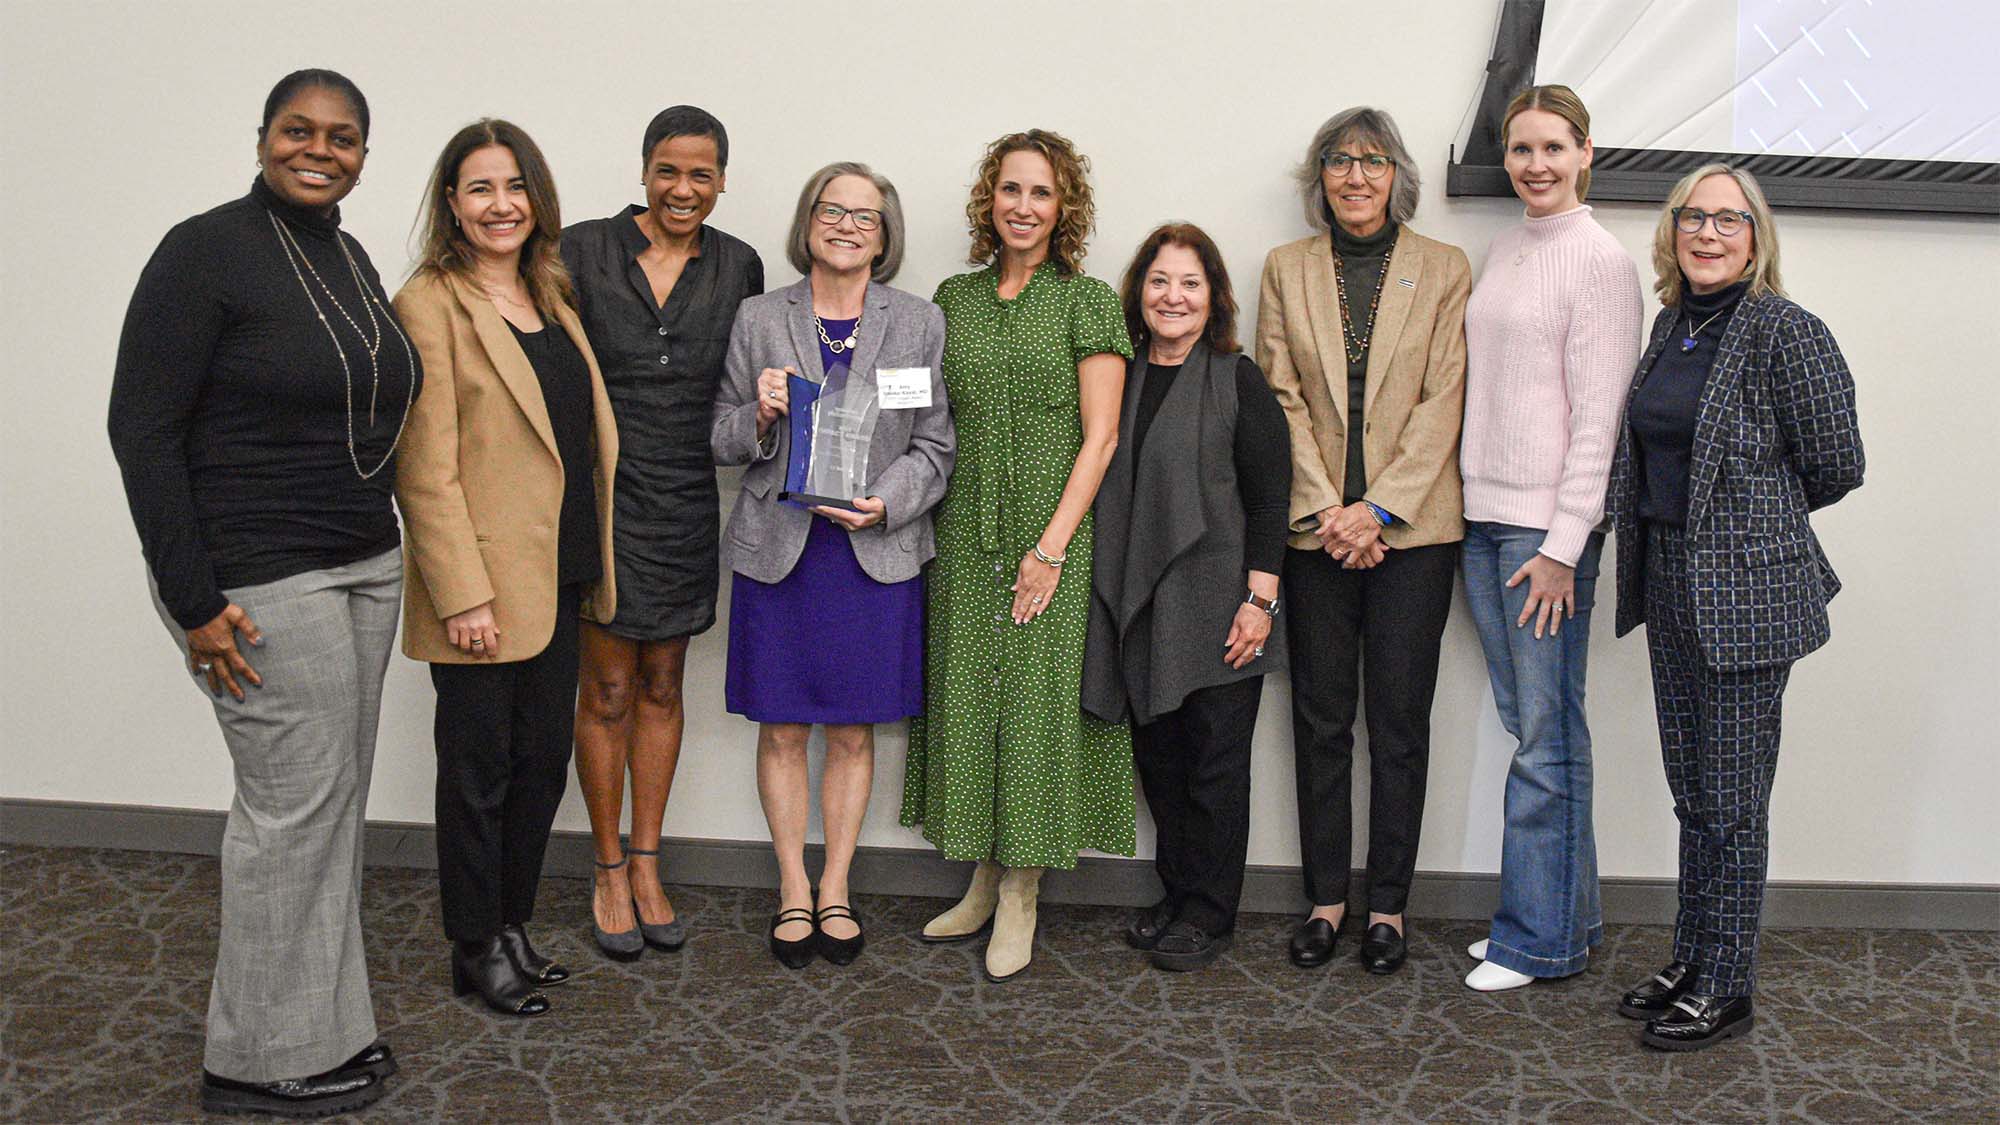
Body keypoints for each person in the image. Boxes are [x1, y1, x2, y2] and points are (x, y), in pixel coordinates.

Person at [107, 69, 416, 1116]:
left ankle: (326, 1029)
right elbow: (140, 431)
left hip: (364, 564)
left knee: (329, 810)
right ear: (263, 137)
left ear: (363, 156)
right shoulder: (203, 252)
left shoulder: (348, 252)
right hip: (256, 573)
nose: (318, 149)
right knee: (289, 814)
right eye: (298, 130)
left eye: (341, 137)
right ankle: (253, 1059)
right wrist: (192, 600)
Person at [1610, 164, 1863, 1049]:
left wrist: (1752, 531)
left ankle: (1728, 982)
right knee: (1692, 790)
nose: (1708, 233)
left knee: (1732, 797)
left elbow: (1838, 463)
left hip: (1747, 594)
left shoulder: (1788, 332)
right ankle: (1691, 956)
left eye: (1728, 219)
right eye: (1693, 218)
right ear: (1672, 231)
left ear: (1757, 236)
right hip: (1670, 578)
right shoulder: (1673, 322)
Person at [393, 120, 618, 1015]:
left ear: (538, 199)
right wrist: (461, 595)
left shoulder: (549, 296)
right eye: (480, 188)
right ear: (452, 203)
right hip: (482, 591)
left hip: (559, 575)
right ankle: (472, 944)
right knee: (478, 773)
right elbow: (425, 465)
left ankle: (512, 923)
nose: (501, 205)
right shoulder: (429, 304)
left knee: (540, 764)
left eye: (515, 186)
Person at [900, 129, 1134, 982]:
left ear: (1063, 206)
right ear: (987, 201)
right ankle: (981, 873)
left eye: (1040, 193)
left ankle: (1023, 891)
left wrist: (1050, 547)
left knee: (1033, 706)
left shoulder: (1089, 301)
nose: (1023, 206)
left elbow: (1102, 437)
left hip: (1052, 533)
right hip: (962, 531)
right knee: (967, 697)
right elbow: (912, 408)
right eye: (1009, 190)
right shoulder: (951, 299)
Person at [712, 162, 954, 968]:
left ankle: (838, 886)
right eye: (833, 209)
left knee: (851, 729)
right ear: (808, 219)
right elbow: (719, 434)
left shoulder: (918, 322)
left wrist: (886, 501)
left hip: (872, 551)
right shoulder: (758, 316)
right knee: (782, 726)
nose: (848, 225)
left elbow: (935, 445)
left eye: (867, 216)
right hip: (781, 549)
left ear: (886, 236)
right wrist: (762, 413)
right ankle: (791, 886)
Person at [1257, 107, 1470, 974]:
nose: (1355, 176)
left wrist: (1377, 509)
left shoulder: (1445, 268)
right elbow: (1279, 399)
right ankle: (1325, 900)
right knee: (1318, 720)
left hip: (1412, 536)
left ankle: (1388, 907)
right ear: (1320, 176)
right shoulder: (1285, 267)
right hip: (1316, 536)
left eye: (1373, 161)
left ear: (1396, 175)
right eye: (1340, 161)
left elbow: (1444, 400)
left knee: (1399, 724)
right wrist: (1327, 510)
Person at [561, 106, 763, 958]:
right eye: (669, 171)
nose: (684, 189)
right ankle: (606, 866)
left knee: (662, 685)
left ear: (722, 180)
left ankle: (648, 861)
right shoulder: (577, 250)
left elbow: (750, 386)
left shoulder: (740, 264)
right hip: (601, 496)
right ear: (644, 170)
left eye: (702, 174)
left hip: (685, 498)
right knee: (605, 688)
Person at [1458, 85, 1642, 993]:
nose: (1535, 165)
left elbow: (1599, 419)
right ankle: (1568, 914)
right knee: (1535, 727)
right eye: (1520, 150)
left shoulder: (1601, 261)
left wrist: (1565, 545)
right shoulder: (1506, 246)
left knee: (1545, 740)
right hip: (1482, 517)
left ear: (1586, 154)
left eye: (1552, 149)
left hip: (1542, 533)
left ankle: (1536, 940)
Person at [1084, 223, 1290, 971]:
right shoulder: (1118, 374)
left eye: (1190, 284)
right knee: (1162, 763)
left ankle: (1212, 911)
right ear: (1140, 292)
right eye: (1160, 281)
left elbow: (1271, 500)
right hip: (1144, 606)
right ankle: (1177, 893)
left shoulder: (1238, 379)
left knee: (1214, 768)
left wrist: (1258, 604)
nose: (1174, 296)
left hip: (1221, 608)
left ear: (1213, 299)